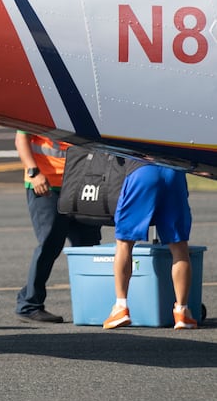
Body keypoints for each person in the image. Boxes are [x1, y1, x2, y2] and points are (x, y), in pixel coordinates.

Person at [14, 131, 101, 323]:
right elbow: (22, 137)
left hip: (81, 185)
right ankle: (29, 304)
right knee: (50, 243)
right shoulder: (40, 105)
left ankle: (94, 304)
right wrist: (33, 172)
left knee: (89, 245)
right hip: (47, 185)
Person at [103, 163, 196, 329]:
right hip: (174, 170)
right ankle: (182, 312)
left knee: (124, 242)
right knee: (179, 245)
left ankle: (120, 306)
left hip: (141, 169)